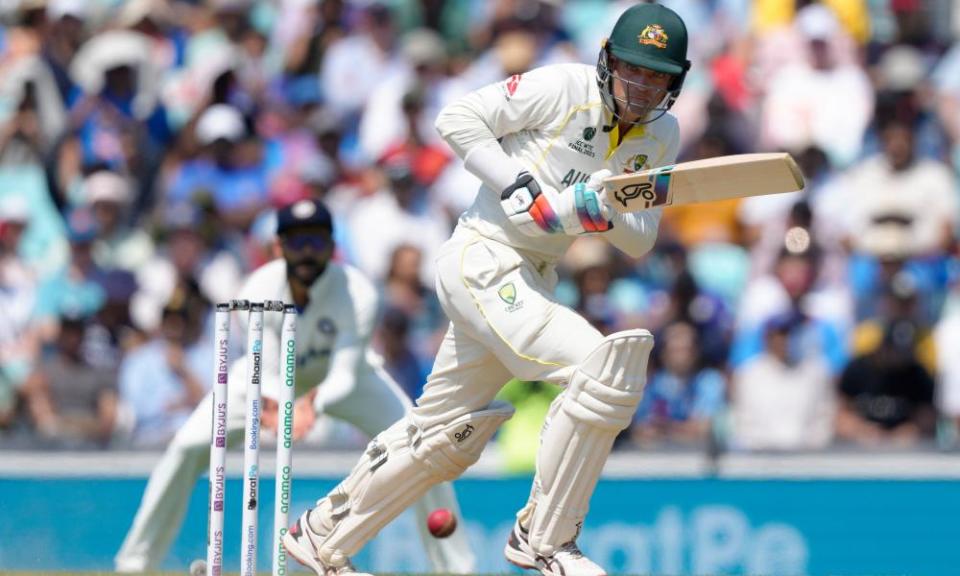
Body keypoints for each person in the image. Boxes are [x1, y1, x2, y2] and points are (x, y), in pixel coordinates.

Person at [281, 4, 689, 576]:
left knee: (442, 437)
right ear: (607, 60)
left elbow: (641, 240)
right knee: (603, 367)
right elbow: (458, 117)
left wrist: (606, 205)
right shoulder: (563, 87)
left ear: (675, 81)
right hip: (483, 258)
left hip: (531, 278)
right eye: (633, 69)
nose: (643, 86)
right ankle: (545, 537)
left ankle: (323, 532)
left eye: (657, 76)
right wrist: (516, 183)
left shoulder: (662, 135)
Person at [114, 198, 474, 573]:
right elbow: (265, 369)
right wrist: (281, 406)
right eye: (296, 242)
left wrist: (309, 406)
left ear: (333, 249)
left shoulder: (358, 292)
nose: (306, 253)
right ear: (278, 248)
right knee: (186, 448)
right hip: (262, 381)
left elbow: (346, 373)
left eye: (316, 243)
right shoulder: (258, 288)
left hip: (342, 380)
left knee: (420, 445)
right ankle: (135, 565)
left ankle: (456, 570)